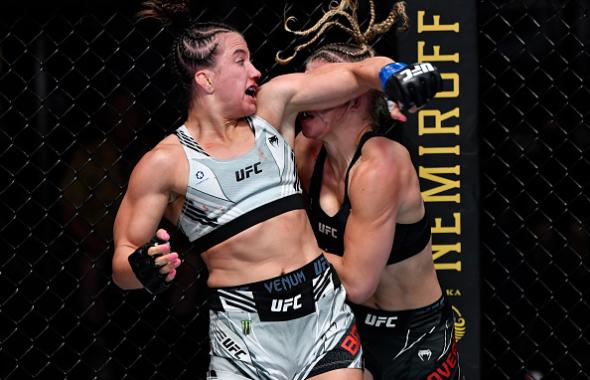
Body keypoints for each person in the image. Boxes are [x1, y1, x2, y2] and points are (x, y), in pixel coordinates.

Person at [111, 1, 437, 379]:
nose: (256, 70)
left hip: (323, 316)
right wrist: (142, 269)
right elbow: (122, 261)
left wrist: (395, 74)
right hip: (246, 333)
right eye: (241, 61)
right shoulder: (165, 163)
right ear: (206, 80)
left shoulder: (272, 108)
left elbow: (353, 74)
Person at [284, 1, 463, 379]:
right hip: (343, 324)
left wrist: (282, 248)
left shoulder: (382, 163)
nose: (301, 99)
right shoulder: (306, 150)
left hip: (412, 338)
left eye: (315, 89)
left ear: (353, 98)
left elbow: (357, 282)